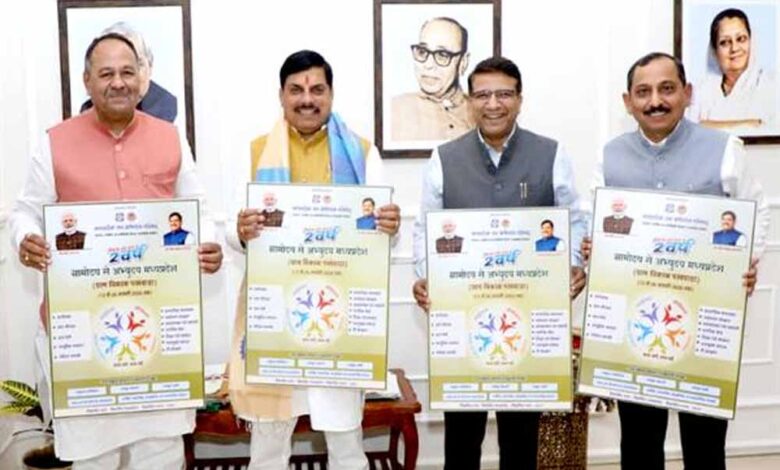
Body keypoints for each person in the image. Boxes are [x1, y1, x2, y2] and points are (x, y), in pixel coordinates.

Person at [9, 33, 222, 469]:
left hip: (158, 330)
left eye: (127, 72)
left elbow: (198, 211)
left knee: (160, 451)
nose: (118, 82)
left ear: (142, 79)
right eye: (106, 73)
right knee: (93, 457)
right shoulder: (54, 142)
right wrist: (25, 239)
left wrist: (209, 246)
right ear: (87, 81)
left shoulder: (171, 138)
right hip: (81, 334)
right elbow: (25, 212)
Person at [585, 52, 769, 470]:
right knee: (639, 440)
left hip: (705, 322)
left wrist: (746, 261)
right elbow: (597, 223)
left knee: (705, 442)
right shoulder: (609, 156)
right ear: (627, 101)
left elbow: (756, 209)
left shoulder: (725, 149)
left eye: (667, 89)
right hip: (637, 325)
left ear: (687, 93)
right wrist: (596, 250)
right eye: (643, 92)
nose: (655, 101)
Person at [412, 56, 588, 470]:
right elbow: (424, 228)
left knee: (520, 438)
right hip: (462, 321)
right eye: (483, 95)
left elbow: (574, 219)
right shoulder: (443, 158)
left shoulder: (551, 154)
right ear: (470, 101)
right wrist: (425, 275)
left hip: (526, 320)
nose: (493, 104)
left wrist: (573, 263)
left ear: (520, 100)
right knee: (462, 439)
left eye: (504, 94)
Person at [227, 50, 401, 470]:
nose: (307, 99)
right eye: (296, 90)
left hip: (337, 315)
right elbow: (230, 233)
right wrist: (240, 230)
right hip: (274, 313)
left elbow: (381, 237)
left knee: (345, 439)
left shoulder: (361, 153)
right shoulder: (255, 152)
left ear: (331, 94)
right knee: (268, 444)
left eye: (317, 89)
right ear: (281, 95)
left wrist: (390, 226)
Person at [689, 8, 776, 131]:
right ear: (714, 50)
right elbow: (689, 130)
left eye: (741, 39)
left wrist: (707, 125)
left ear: (751, 42)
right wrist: (752, 123)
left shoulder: (772, 84)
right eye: (725, 42)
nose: (734, 48)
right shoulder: (700, 91)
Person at [391, 17, 474, 142]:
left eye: (442, 55)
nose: (428, 65)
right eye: (422, 51)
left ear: (463, 62)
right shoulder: (395, 110)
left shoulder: (481, 111)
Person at [80, 22, 178, 123]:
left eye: (138, 64)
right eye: (108, 72)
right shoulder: (87, 111)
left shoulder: (168, 109)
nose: (118, 83)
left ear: (150, 66)